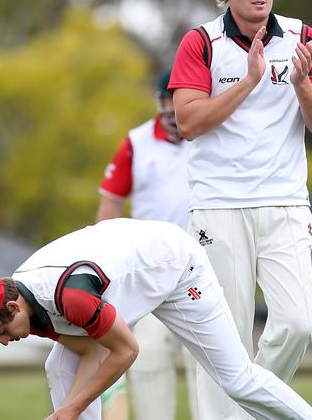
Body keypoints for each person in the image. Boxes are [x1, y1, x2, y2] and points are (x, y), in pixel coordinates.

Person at [169, 0, 312, 419]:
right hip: (219, 206)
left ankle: (248, 411)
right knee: (224, 334)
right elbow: (187, 122)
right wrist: (247, 83)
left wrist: (302, 83)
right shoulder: (200, 43)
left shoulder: (302, 37)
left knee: (298, 321)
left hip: (285, 203)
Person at [0, 218, 312, 420]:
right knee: (58, 365)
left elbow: (124, 352)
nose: (4, 341)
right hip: (128, 270)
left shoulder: (68, 296)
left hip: (177, 269)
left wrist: (69, 408)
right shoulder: (25, 301)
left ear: (12, 308)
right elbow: (89, 351)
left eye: (0, 332)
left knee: (237, 381)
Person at [97, 71, 198, 420]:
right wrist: (105, 265)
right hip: (151, 270)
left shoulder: (209, 133)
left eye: (178, 100)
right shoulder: (137, 142)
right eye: (166, 102)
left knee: (208, 362)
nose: (171, 110)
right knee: (149, 357)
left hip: (204, 266)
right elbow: (111, 202)